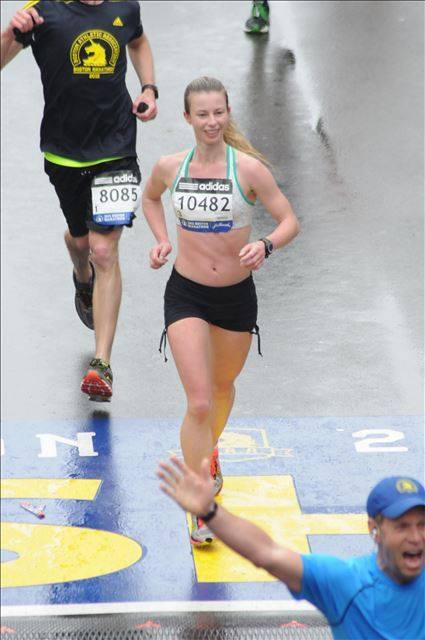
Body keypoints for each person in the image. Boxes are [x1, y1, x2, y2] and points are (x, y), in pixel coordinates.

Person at [142, 76, 299, 544]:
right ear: (187, 118)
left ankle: (207, 452)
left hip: (235, 296)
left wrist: (266, 245)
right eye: (202, 114)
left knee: (224, 387)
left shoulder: (248, 170)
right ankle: (199, 501)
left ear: (227, 114)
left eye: (219, 113)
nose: (212, 122)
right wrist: (163, 240)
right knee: (200, 400)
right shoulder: (172, 167)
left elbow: (290, 220)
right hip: (186, 293)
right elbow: (150, 198)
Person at [1, 0, 158, 401]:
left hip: (116, 149)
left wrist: (148, 89)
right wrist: (9, 32)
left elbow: (138, 42)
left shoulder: (125, 7)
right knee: (82, 243)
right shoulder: (40, 12)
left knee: (105, 250)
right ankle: (81, 277)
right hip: (63, 153)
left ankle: (101, 365)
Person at [158, 461, 425, 640]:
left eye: (422, 525)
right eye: (402, 527)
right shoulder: (345, 583)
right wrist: (210, 512)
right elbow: (267, 553)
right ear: (374, 529)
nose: (415, 537)